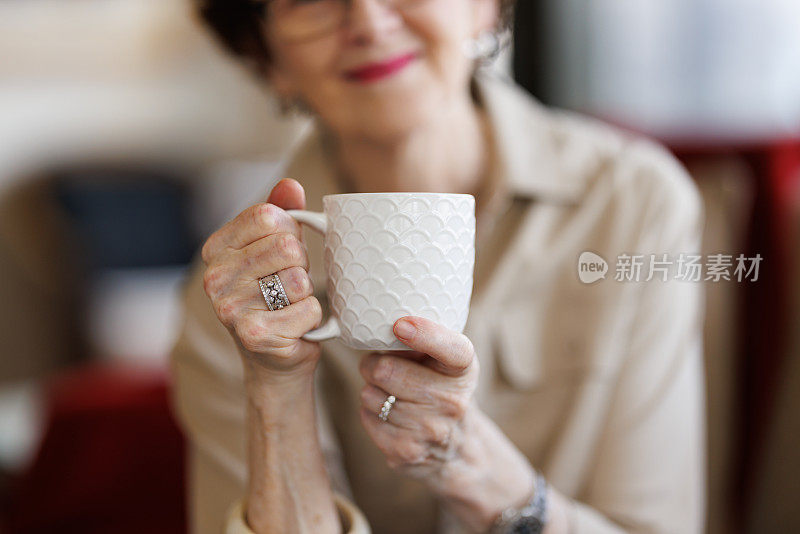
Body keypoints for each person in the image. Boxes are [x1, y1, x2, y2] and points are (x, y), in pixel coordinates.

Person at [170, 0, 706, 532]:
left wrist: (474, 470)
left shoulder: (634, 205)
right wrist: (276, 388)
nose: (368, 22)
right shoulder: (240, 297)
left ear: (484, 9)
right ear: (264, 53)